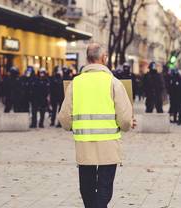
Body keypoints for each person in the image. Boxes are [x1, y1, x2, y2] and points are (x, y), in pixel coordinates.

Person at [58, 43, 135, 208]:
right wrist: (126, 125)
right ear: (104, 58)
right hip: (108, 143)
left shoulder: (75, 83)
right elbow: (125, 119)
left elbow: (64, 117)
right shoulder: (113, 83)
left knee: (86, 187)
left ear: (87, 58)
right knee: (104, 187)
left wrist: (72, 126)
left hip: (84, 143)